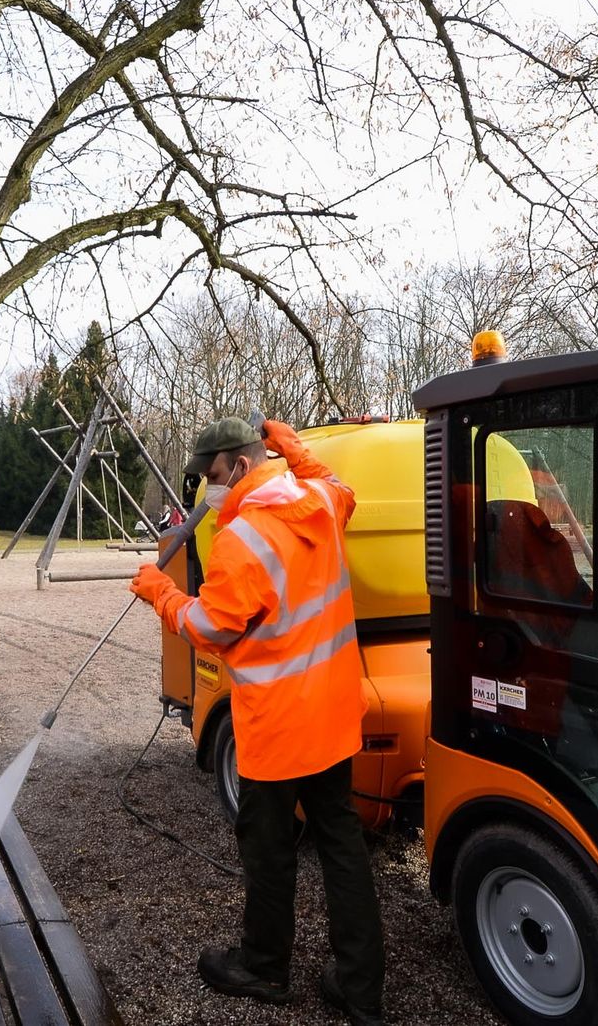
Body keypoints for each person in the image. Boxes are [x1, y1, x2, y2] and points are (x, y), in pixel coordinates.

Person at [129, 417, 385, 1026]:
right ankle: (361, 990)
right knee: (341, 844)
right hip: (332, 714)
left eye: (214, 475)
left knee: (268, 850)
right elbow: (343, 490)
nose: (209, 489)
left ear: (241, 466)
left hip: (277, 728)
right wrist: (298, 451)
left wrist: (161, 592)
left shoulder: (240, 539)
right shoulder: (318, 500)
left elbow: (211, 628)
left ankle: (265, 968)